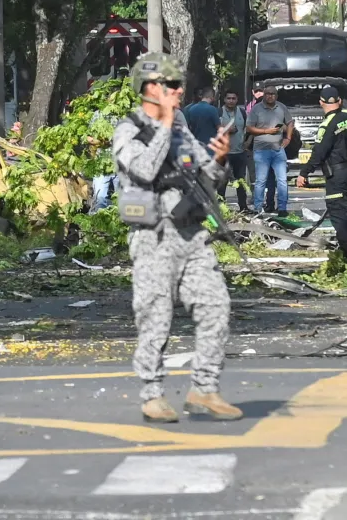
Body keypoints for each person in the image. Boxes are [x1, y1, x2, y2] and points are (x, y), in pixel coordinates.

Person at [112, 52, 241, 423]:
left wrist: (219, 160)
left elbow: (211, 178)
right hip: (154, 238)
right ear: (150, 88)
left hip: (192, 234)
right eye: (171, 85)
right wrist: (166, 125)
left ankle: (205, 388)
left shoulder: (182, 130)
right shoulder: (128, 131)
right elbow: (145, 170)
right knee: (155, 317)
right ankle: (152, 394)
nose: (179, 90)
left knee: (217, 306)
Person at [296, 87, 347, 266]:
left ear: (321, 103)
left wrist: (304, 173)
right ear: (339, 101)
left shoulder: (327, 125)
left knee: (340, 216)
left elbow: (319, 152)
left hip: (337, 176)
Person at [246, 85, 293, 216]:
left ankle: (282, 208)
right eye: (267, 93)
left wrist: (288, 138)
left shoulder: (281, 107)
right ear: (263, 95)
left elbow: (290, 122)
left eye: (273, 94)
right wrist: (266, 131)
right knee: (261, 181)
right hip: (261, 150)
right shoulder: (256, 109)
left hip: (278, 149)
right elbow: (249, 128)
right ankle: (258, 208)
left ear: (276, 96)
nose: (270, 96)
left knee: (282, 180)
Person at [244, 82, 275, 212]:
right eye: (256, 92)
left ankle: (268, 202)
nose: (259, 94)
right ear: (253, 92)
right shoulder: (250, 106)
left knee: (267, 176)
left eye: (261, 91)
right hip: (257, 145)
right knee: (256, 175)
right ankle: (261, 200)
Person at [219, 90, 250, 211]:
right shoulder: (219, 112)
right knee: (223, 181)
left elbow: (250, 127)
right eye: (229, 98)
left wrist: (248, 141)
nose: (231, 101)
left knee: (241, 181)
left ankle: (243, 206)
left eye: (233, 98)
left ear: (237, 100)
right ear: (224, 100)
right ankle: (221, 207)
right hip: (224, 153)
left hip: (239, 152)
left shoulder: (242, 112)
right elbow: (213, 129)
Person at [184, 87, 221, 153]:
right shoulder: (213, 109)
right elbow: (219, 129)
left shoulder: (191, 109)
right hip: (210, 148)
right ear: (211, 96)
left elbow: (188, 128)